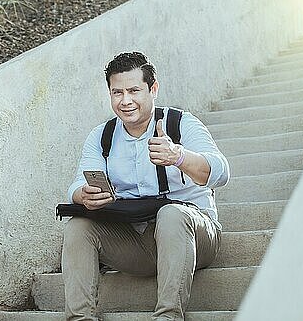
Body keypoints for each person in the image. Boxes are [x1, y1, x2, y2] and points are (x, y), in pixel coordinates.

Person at [62, 52, 230, 320]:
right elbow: (78, 184)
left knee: (172, 213)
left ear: (153, 89)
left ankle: (168, 316)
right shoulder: (102, 136)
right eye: (117, 92)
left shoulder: (180, 123)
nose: (125, 101)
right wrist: (84, 195)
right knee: (78, 226)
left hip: (193, 237)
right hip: (137, 243)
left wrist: (179, 157)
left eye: (134, 90)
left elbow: (221, 173)